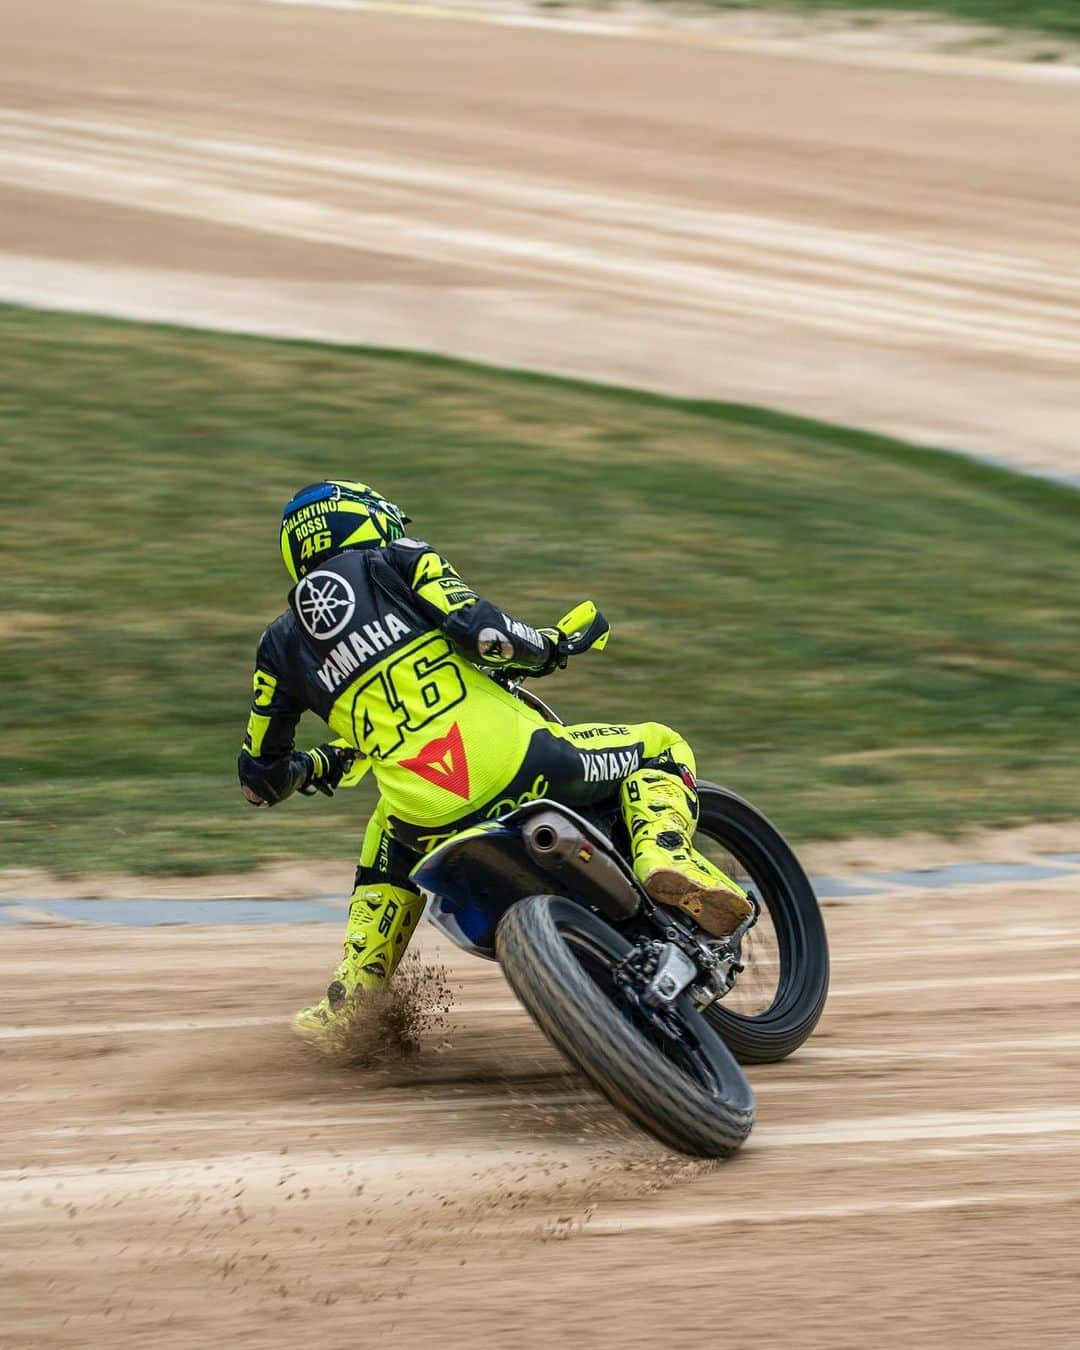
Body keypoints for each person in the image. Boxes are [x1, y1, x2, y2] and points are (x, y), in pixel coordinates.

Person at [238, 480, 750, 1042]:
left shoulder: (279, 647)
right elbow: (485, 633)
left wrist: (313, 766)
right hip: (522, 765)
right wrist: (552, 645)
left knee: (386, 821)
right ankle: (664, 857)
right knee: (660, 744)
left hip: (427, 826)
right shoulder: (396, 558)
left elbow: (260, 782)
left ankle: (355, 996)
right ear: (364, 521)